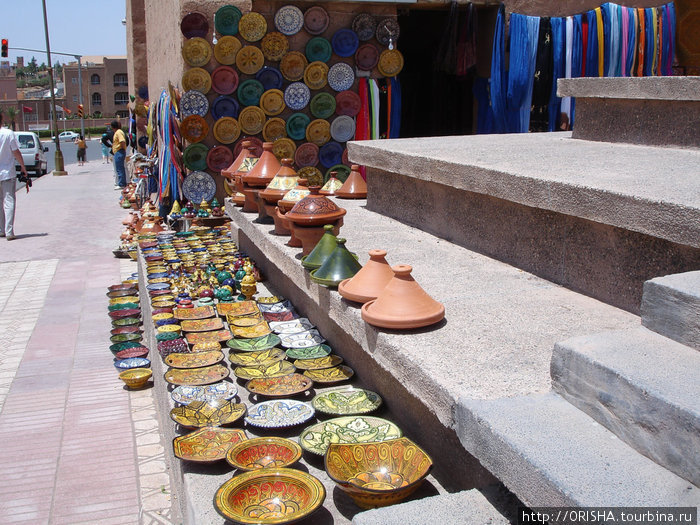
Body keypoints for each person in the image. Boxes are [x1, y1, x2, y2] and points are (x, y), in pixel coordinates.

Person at [0, 112, 30, 240]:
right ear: (1, 119)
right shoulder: (8, 133)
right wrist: (23, 167)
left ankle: (1, 230)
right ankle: (9, 231)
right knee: (9, 201)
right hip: (7, 173)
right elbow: (16, 152)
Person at [111, 120, 127, 189]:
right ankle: (121, 182)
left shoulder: (118, 132)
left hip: (119, 151)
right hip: (118, 152)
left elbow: (122, 141)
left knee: (120, 168)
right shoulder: (117, 132)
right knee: (119, 168)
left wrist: (123, 149)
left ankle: (122, 184)